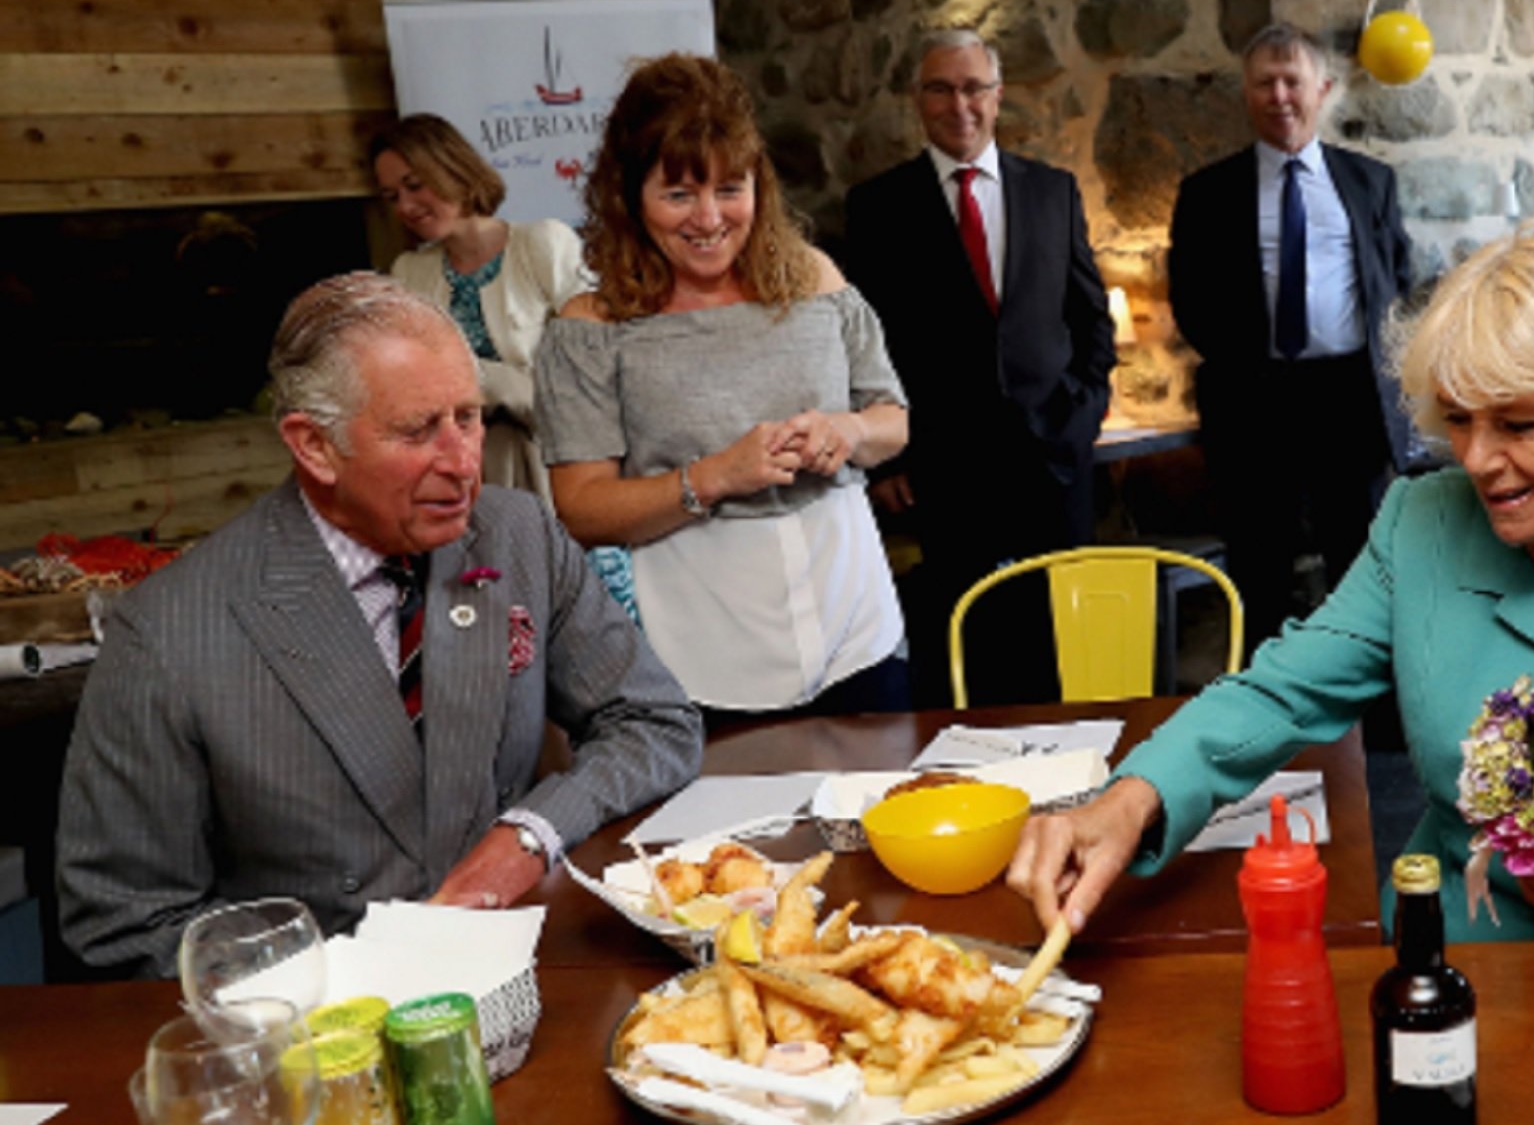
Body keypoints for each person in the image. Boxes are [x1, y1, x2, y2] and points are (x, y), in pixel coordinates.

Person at [1009, 217, 1534, 942]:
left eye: (1518, 424)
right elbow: (1277, 696)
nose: (1478, 461)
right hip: (1466, 953)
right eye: (1456, 420)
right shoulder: (1420, 522)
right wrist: (1126, 800)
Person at [57, 273, 702, 978]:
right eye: (418, 430)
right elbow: (122, 922)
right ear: (314, 445)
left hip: (529, 976)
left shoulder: (518, 536)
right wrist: (348, 979)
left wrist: (529, 835)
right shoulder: (169, 633)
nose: (462, 463)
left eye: (468, 416)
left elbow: (653, 721)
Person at [534, 55, 911, 719]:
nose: (709, 219)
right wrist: (712, 477)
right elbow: (582, 509)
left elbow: (892, 419)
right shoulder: (591, 327)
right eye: (678, 194)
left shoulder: (815, 279)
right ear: (628, 198)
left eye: (729, 188)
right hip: (704, 650)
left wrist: (847, 431)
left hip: (856, 628)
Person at [844, 28, 1117, 705]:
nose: (957, 104)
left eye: (972, 87)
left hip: (1052, 457)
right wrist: (883, 461)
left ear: (997, 99)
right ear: (917, 100)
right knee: (966, 647)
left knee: (1062, 641)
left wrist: (1082, 411)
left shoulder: (1052, 191)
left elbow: (1090, 320)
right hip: (943, 464)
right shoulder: (878, 206)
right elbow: (858, 345)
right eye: (940, 88)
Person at [1168, 22, 1416, 652]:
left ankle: (1373, 719)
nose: (1279, 95)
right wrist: (1246, 361)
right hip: (1255, 398)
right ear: (1246, 94)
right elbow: (1189, 298)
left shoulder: (1369, 181)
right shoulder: (1206, 192)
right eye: (1264, 83)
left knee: (1359, 562)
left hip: (1350, 395)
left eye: (1292, 81)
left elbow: (1397, 280)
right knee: (1261, 566)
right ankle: (1273, 712)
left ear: (1323, 89)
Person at [372, 114, 589, 506]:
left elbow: (591, 377)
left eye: (415, 185)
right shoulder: (409, 273)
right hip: (458, 481)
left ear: (453, 168)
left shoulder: (542, 244)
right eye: (392, 197)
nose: (405, 206)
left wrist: (482, 382)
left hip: (558, 472)